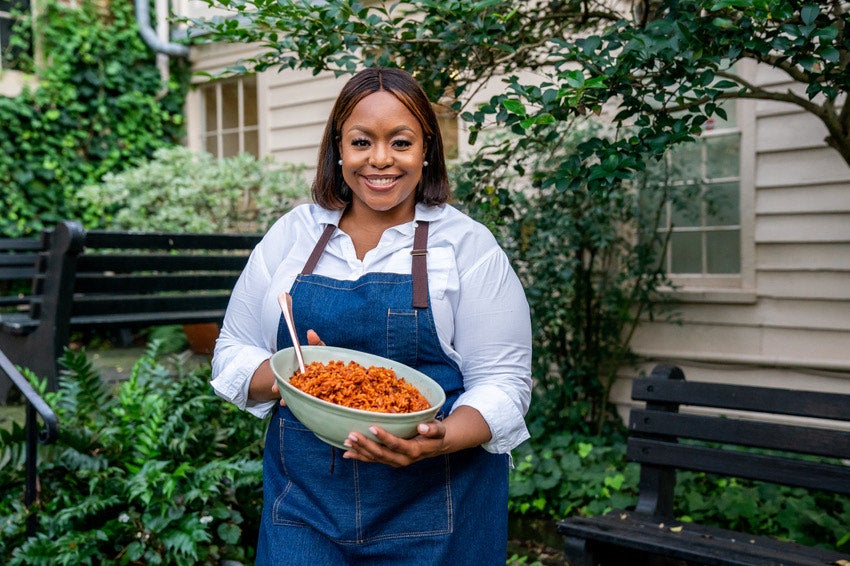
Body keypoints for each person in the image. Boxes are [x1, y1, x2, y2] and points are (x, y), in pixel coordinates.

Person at [211, 66, 532, 565]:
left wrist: (439, 439)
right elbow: (232, 353)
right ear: (338, 148)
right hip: (306, 508)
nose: (380, 159)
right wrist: (292, 379)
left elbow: (504, 383)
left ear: (426, 150)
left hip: (435, 507)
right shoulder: (293, 235)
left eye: (400, 142)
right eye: (361, 141)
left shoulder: (467, 247)